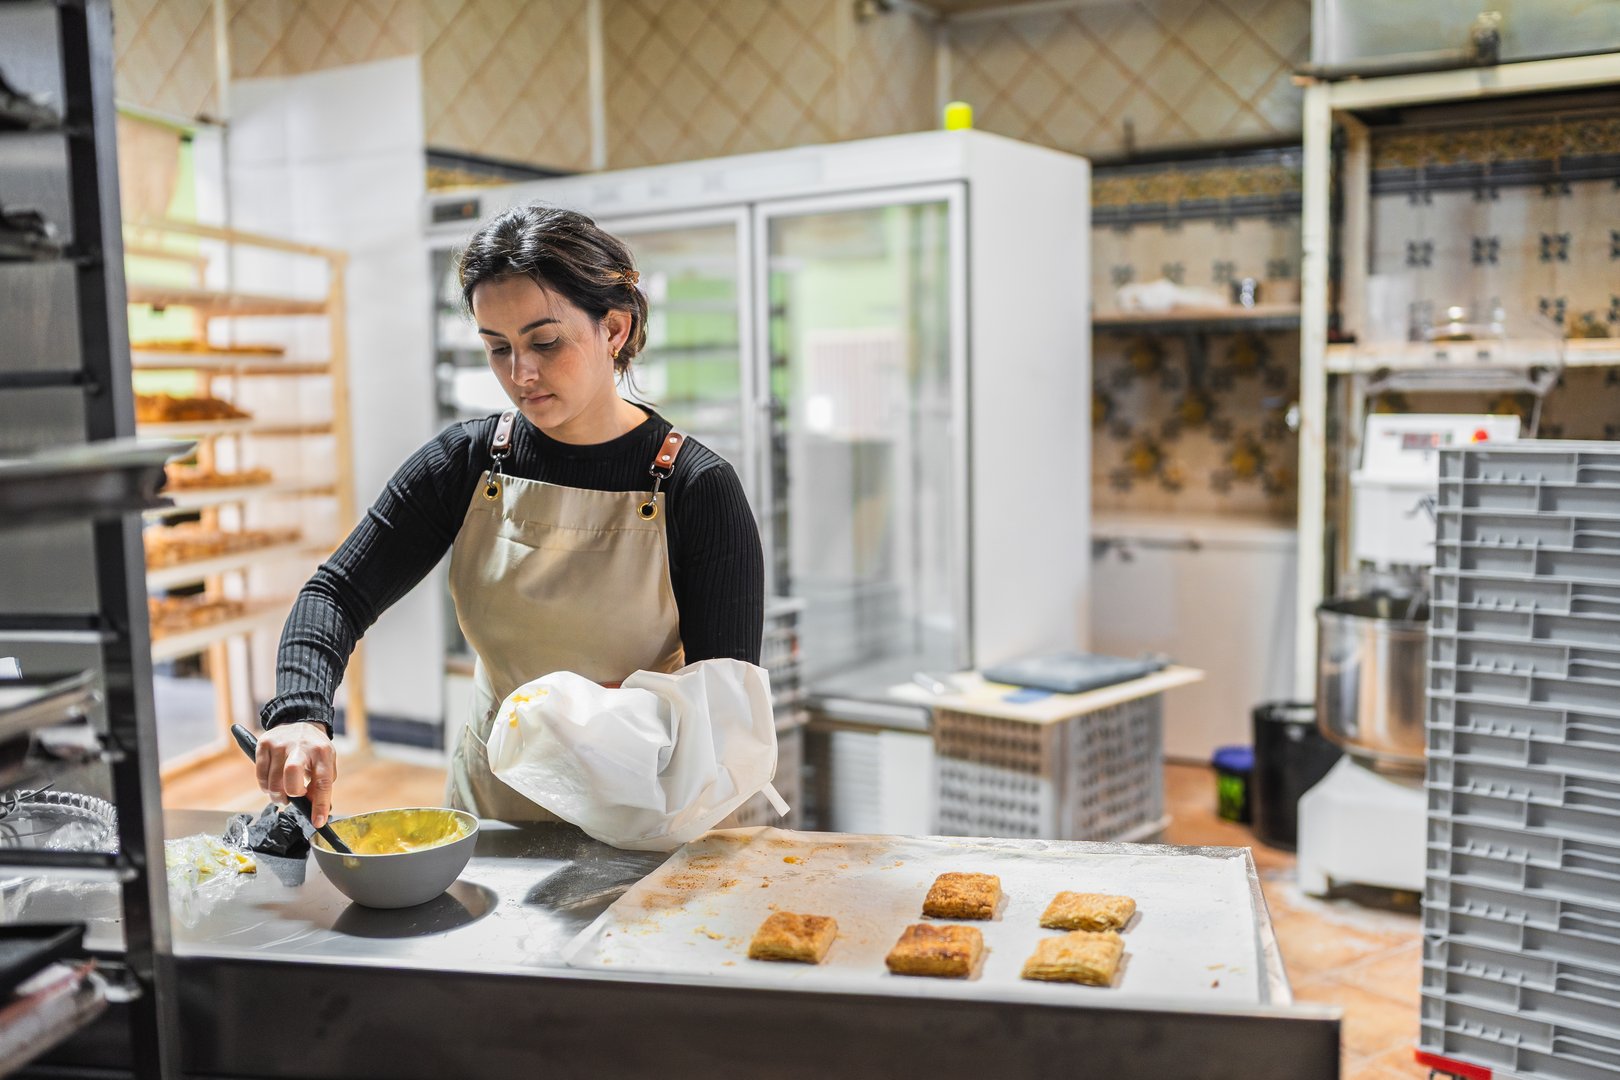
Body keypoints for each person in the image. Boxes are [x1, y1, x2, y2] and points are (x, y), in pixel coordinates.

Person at [252, 203, 765, 826]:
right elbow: (337, 593)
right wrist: (300, 713)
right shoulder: (467, 463)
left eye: (546, 342)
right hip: (497, 815)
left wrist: (603, 714)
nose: (521, 374)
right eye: (497, 348)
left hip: (648, 817)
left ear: (615, 330)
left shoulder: (696, 487)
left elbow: (724, 711)